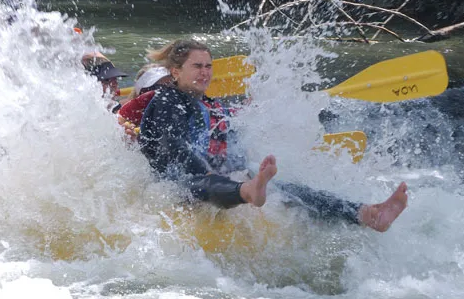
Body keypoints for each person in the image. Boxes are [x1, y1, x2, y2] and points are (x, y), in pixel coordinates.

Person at [137, 39, 408, 232]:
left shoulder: (209, 104)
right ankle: (247, 191)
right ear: (176, 71)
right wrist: (208, 171)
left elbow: (229, 142)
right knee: (214, 181)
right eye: (197, 66)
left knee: (289, 189)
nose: (205, 72)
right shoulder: (166, 100)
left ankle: (367, 214)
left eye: (208, 66)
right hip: (173, 185)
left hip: (211, 179)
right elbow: (171, 146)